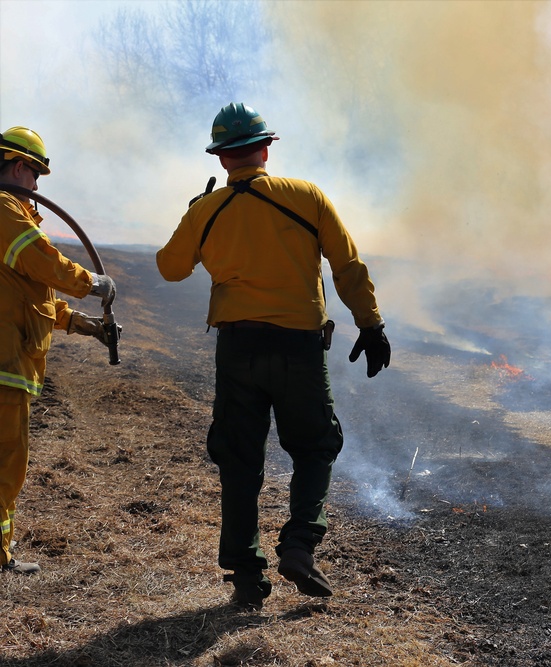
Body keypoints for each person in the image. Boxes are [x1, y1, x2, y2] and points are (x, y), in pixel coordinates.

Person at [156, 103, 391, 610]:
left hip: (237, 349)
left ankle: (245, 576)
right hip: (298, 348)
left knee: (239, 461)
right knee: (315, 446)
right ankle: (301, 544)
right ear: (265, 149)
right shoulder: (306, 197)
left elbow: (170, 268)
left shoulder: (207, 209)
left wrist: (195, 212)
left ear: (222, 159)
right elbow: (348, 265)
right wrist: (371, 324)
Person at [0, 126, 118, 575]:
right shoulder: (5, 208)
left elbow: (34, 296)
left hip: (10, 361)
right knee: (6, 466)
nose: (36, 188)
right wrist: (92, 284)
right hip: (4, 365)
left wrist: (82, 324)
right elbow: (43, 262)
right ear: (18, 166)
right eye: (35, 176)